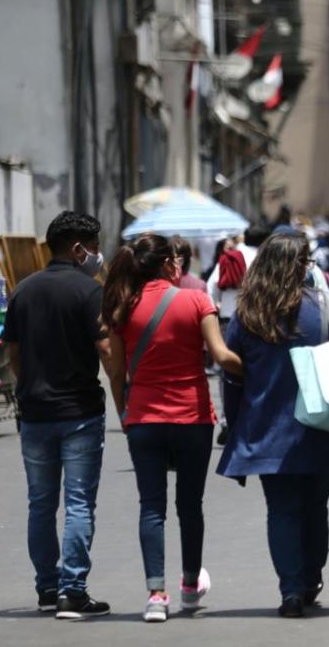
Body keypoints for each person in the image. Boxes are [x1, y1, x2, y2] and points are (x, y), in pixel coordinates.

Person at [216, 234, 329, 617]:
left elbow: (232, 374)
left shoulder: (249, 313)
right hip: (323, 423)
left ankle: (290, 591)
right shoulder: (322, 305)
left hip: (267, 427)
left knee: (281, 510)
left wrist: (235, 423)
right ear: (296, 266)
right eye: (305, 261)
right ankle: (311, 578)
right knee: (316, 507)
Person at [102, 234, 242, 622]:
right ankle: (189, 586)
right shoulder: (196, 300)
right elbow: (221, 355)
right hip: (192, 417)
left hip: (144, 418)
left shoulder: (121, 306)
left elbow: (115, 373)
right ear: (170, 264)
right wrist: (259, 373)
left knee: (151, 507)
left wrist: (125, 414)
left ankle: (156, 595)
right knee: (190, 506)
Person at [3, 211, 111, 619]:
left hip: (34, 413)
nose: (98, 256)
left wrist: (31, 384)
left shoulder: (22, 290)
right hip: (80, 411)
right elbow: (105, 349)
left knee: (40, 504)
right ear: (79, 248)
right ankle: (73, 591)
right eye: (95, 248)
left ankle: (47, 589)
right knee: (79, 503)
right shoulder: (89, 291)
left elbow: (13, 354)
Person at [208, 224, 269, 445]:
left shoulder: (230, 255)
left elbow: (212, 286)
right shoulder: (264, 258)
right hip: (255, 319)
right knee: (255, 368)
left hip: (227, 317)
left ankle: (226, 419)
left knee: (227, 369)